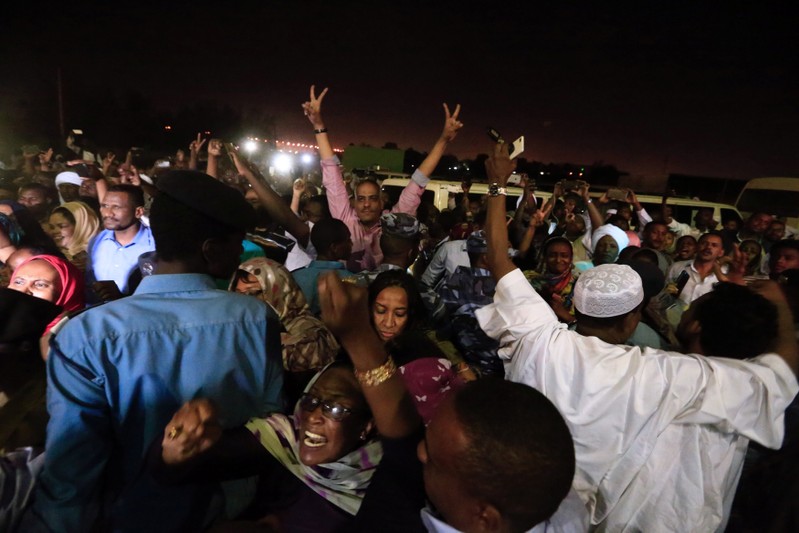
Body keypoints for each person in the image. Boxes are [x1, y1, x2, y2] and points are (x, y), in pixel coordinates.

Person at [476, 141, 798, 532]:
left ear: (576, 308)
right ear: (633, 318)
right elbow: (780, 373)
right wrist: (779, 304)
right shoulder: (683, 380)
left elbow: (498, 258)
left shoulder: (543, 344)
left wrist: (497, 185)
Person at [23, 170, 285, 532]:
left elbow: (72, 472)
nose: (241, 252)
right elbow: (267, 433)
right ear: (210, 249)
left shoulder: (86, 334)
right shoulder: (256, 318)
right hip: (228, 518)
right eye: (237, 243)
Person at [150, 270, 421, 531]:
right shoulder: (286, 439)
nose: (313, 416)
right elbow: (185, 468)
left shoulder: (385, 490)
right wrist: (174, 453)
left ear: (367, 427)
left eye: (335, 409)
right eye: (311, 401)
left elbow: (404, 436)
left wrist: (358, 336)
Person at [303, 85, 462, 271]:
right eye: (361, 199)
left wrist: (443, 140)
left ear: (381, 202)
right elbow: (332, 174)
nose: (366, 204)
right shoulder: (345, 219)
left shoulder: (393, 224)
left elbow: (418, 181)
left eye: (372, 198)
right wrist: (318, 125)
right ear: (353, 202)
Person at [368, 269, 471, 423]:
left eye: (399, 314)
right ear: (369, 309)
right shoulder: (354, 342)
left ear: (410, 314)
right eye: (380, 311)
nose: (388, 323)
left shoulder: (423, 352)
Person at [85, 183, 155, 302]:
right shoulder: (97, 241)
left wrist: (122, 298)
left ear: (138, 212)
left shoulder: (154, 244)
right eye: (105, 206)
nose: (108, 213)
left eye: (116, 207)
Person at [292, 217, 355, 315]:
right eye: (347, 240)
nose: (351, 243)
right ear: (334, 247)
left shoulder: (294, 276)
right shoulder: (351, 280)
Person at [8, 254, 85, 333]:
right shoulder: (6, 322)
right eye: (18, 282)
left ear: (67, 292)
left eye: (40, 285)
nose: (23, 291)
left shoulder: (76, 334)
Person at [523, 236, 578, 324]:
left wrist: (563, 313)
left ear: (571, 258)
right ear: (545, 257)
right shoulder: (528, 279)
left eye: (564, 256)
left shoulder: (579, 284)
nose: (558, 260)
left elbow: (584, 326)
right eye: (552, 255)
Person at [666, 231, 726, 305]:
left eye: (714, 245)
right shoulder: (677, 267)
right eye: (704, 243)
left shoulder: (725, 277)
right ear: (697, 247)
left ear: (721, 252)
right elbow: (666, 294)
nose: (708, 247)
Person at [48, 201, 100, 272]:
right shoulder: (55, 256)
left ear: (80, 227)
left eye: (62, 226)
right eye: (52, 227)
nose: (54, 232)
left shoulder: (99, 254)